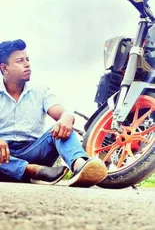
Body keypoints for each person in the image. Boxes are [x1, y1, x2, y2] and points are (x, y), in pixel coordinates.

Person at [0, 39, 107, 187]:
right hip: (3, 157)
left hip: (34, 152)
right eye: (20, 61)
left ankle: (81, 167)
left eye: (28, 59)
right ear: (4, 68)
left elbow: (61, 113)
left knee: (61, 128)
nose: (27, 64)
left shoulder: (41, 92)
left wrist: (67, 117)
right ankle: (31, 171)